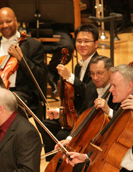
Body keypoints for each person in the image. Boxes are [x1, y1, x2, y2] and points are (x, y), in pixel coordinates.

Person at [40, 23, 100, 158]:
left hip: (90, 116)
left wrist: (70, 77)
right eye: (79, 41)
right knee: (46, 125)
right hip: (76, 114)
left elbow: (89, 94)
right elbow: (75, 97)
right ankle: (54, 164)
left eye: (87, 41)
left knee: (62, 134)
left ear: (96, 44)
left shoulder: (99, 65)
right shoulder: (79, 67)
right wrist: (60, 112)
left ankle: (64, 165)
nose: (82, 45)